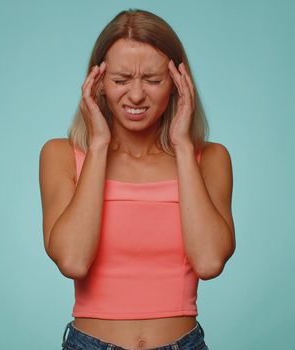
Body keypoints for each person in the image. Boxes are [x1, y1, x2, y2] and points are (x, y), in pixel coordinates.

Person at [39, 8, 235, 350]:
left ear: (177, 85)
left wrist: (183, 147)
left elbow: (209, 261)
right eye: (120, 80)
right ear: (97, 84)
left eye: (153, 80)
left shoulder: (210, 159)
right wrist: (99, 145)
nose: (136, 96)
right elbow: (72, 260)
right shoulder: (61, 155)